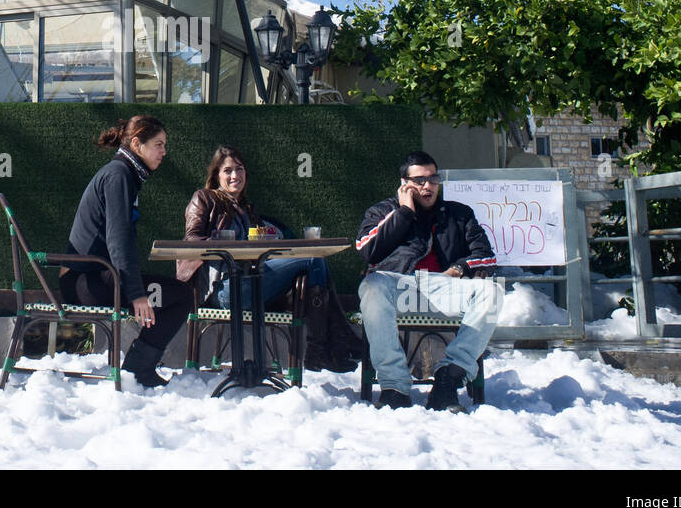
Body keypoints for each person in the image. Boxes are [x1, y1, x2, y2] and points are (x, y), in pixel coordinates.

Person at [179, 145, 360, 372]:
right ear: (216, 175)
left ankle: (322, 349)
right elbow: (191, 241)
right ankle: (329, 346)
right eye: (227, 170)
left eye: (240, 169)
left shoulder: (248, 210)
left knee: (317, 260)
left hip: (253, 282)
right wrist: (224, 243)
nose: (235, 175)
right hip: (224, 289)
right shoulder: (204, 198)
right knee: (313, 259)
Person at [355, 150, 504, 410]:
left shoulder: (459, 214)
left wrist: (458, 269)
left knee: (492, 292)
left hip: (444, 286)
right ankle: (394, 386)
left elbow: (487, 257)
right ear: (405, 184)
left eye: (433, 179)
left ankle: (449, 378)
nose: (428, 186)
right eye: (420, 180)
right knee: (372, 285)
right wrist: (403, 213)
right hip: (398, 285)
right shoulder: (383, 211)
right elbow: (366, 249)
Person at [61, 115, 192, 388]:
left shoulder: (124, 174)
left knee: (174, 293)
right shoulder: (118, 175)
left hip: (91, 278)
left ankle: (138, 368)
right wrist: (136, 293)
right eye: (158, 144)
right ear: (137, 144)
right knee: (181, 296)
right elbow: (118, 240)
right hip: (89, 282)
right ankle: (138, 370)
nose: (164, 152)